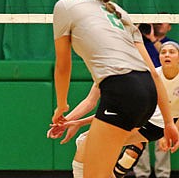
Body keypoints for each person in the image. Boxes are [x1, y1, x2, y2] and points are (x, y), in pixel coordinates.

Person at [51, 0, 179, 178]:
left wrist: (61, 106)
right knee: (91, 158)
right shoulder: (120, 13)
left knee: (94, 173)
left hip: (122, 90)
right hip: (146, 93)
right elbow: (152, 73)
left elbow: (63, 65)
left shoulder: (65, 6)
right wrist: (169, 122)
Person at [48, 40, 179, 178]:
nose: (166, 55)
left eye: (171, 52)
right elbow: (90, 102)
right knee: (94, 150)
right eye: (163, 52)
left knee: (89, 144)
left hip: (151, 122)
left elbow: (121, 114)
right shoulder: (106, 71)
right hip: (139, 117)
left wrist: (172, 126)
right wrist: (67, 121)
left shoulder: (139, 75)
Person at [135, 21, 174, 178]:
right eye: (155, 22)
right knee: (137, 135)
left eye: (162, 23)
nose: (158, 25)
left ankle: (163, 174)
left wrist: (153, 39)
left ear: (169, 26)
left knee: (163, 135)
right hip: (142, 90)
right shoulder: (140, 42)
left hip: (164, 94)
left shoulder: (170, 45)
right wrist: (136, 32)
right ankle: (141, 174)